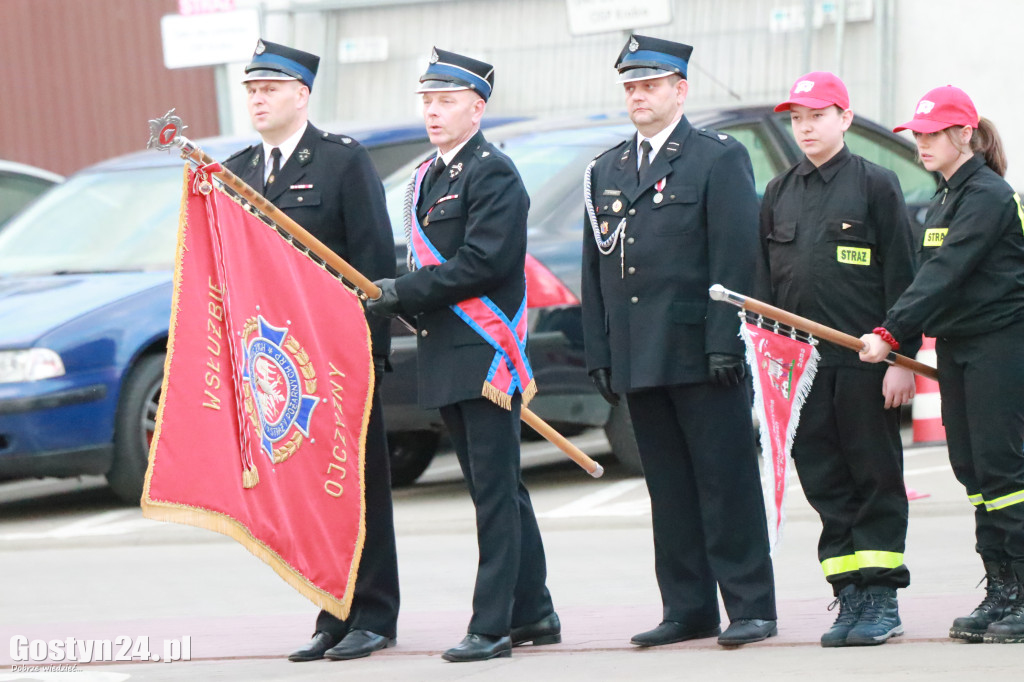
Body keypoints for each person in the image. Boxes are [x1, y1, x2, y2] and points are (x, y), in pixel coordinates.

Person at [580, 33, 777, 648]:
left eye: (650, 85)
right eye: (631, 87)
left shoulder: (716, 158)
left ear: (680, 90)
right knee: (667, 488)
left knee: (726, 481)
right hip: (640, 351)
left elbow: (735, 257)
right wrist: (600, 351)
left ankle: (751, 605)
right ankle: (687, 606)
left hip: (701, 349)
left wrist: (727, 341)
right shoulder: (606, 168)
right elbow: (596, 271)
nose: (638, 96)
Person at [366, 47, 559, 662]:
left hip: (485, 355)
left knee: (495, 493)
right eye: (426, 100)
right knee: (492, 486)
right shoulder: (430, 176)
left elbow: (484, 263)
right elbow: (430, 264)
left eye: (446, 101)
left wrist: (405, 291)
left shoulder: (491, 172)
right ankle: (536, 611)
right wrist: (396, 294)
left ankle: (493, 625)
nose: (433, 111)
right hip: (445, 350)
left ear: (477, 108)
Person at [222, 39, 401, 662]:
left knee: (358, 486)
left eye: (269, 87)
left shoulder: (341, 163)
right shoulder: (238, 171)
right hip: (277, 367)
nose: (258, 98)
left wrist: (371, 355)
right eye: (251, 89)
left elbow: (373, 263)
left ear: (302, 94)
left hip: (336, 356)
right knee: (308, 490)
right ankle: (333, 608)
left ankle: (374, 612)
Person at [758, 72, 919, 647]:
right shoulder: (778, 192)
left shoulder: (877, 184)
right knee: (824, 481)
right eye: (797, 118)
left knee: (874, 477)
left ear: (845, 119)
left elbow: (903, 276)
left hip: (865, 363)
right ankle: (848, 595)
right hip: (801, 372)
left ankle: (881, 601)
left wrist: (902, 355)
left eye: (817, 116)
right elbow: (766, 287)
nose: (805, 127)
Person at [860, 85, 1024, 644]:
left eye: (932, 133)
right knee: (973, 472)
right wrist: (904, 338)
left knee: (1005, 473)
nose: (922, 143)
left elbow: (944, 272)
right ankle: (1002, 588)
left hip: (1001, 344)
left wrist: (890, 333)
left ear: (965, 135)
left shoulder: (988, 196)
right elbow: (930, 278)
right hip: (958, 346)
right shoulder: (945, 197)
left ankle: (1023, 589)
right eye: (919, 134)